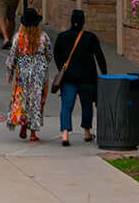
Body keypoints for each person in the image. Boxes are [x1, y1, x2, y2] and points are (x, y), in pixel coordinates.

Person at [52, 9, 108, 147]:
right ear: (83, 22)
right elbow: (99, 56)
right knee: (87, 106)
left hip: (68, 78)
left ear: (71, 20)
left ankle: (65, 135)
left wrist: (62, 69)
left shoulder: (62, 36)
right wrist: (105, 73)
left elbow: (57, 55)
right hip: (87, 78)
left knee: (66, 106)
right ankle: (87, 133)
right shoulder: (90, 37)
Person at [6, 8, 53, 141]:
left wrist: (10, 71)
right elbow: (49, 55)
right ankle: (33, 132)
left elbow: (13, 55)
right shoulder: (43, 37)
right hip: (39, 73)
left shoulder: (19, 37)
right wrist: (42, 64)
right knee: (37, 100)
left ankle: (23, 125)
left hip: (24, 73)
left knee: (23, 98)